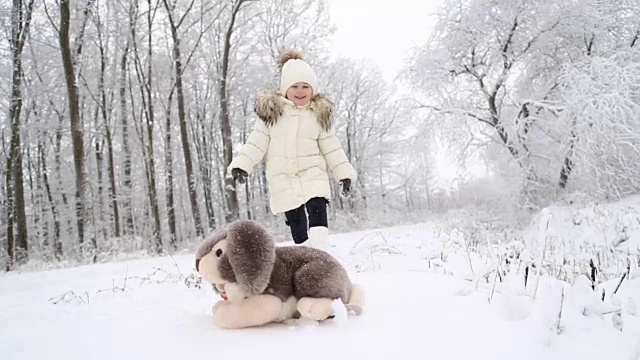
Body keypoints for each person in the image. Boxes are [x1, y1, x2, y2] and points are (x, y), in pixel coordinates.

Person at [228, 50, 356, 250]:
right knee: (298, 226)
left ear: (312, 89)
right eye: (294, 86)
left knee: (318, 207)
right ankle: (305, 256)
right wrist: (242, 166)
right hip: (283, 178)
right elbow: (256, 143)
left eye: (305, 86)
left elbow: (333, 149)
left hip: (312, 173)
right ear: (285, 88)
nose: (300, 90)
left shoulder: (318, 115)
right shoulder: (271, 114)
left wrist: (345, 176)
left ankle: (321, 251)